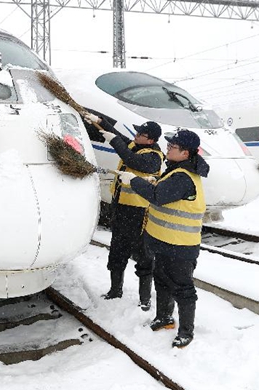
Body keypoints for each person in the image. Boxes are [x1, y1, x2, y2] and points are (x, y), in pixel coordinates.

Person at [118, 129, 209, 348]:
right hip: (164, 243)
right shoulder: (175, 170)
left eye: (172, 147)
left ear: (185, 153)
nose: (167, 149)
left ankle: (186, 331)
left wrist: (135, 181)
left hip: (180, 246)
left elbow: (158, 196)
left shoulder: (183, 177)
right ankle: (164, 318)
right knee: (162, 282)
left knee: (183, 289)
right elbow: (164, 188)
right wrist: (154, 180)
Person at [83, 112, 164, 311]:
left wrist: (115, 142)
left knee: (144, 256)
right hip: (121, 209)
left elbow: (132, 160)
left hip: (140, 214)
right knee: (117, 250)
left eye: (141, 134)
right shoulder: (135, 145)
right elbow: (116, 134)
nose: (136, 136)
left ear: (151, 140)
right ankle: (115, 290)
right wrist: (100, 122)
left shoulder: (154, 157)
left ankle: (144, 298)